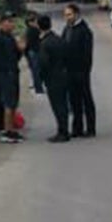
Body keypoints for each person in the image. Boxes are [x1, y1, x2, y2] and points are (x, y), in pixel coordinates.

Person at [62, 3, 97, 138]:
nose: (67, 17)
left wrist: (85, 71)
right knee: (74, 100)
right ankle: (77, 128)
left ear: (76, 14)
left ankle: (91, 128)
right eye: (65, 15)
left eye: (69, 14)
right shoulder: (67, 29)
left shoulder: (84, 31)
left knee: (86, 100)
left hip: (81, 71)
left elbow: (87, 54)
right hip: (69, 71)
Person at [0, 16, 27, 144]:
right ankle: (7, 131)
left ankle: (12, 129)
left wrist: (20, 49)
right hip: (5, 73)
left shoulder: (10, 37)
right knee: (8, 103)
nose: (12, 24)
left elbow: (15, 56)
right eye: (9, 22)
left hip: (12, 72)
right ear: (2, 23)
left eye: (13, 21)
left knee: (13, 103)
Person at [37, 15, 71, 143]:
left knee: (57, 106)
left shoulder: (45, 43)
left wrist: (41, 78)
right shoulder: (59, 39)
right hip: (64, 74)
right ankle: (65, 129)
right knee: (63, 104)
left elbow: (43, 63)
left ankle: (62, 132)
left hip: (52, 77)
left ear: (39, 27)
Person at [24, 14, 44, 95]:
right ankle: (38, 88)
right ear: (30, 22)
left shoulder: (28, 30)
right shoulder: (34, 30)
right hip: (34, 51)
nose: (36, 22)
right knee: (36, 71)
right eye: (34, 21)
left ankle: (36, 86)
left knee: (34, 70)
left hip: (30, 52)